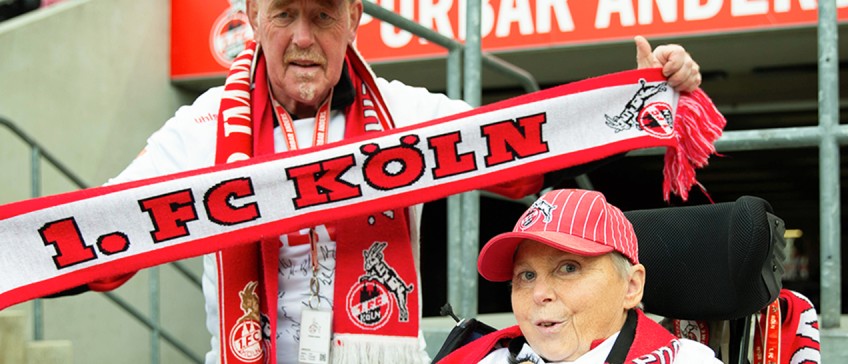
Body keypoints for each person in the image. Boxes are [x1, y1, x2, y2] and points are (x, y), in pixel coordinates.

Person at [95, 1, 704, 363]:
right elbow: (98, 241)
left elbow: (528, 157)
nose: (303, 36)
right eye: (284, 13)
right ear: (252, 15)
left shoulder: (408, 112)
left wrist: (644, 92)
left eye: (324, 14)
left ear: (355, 17)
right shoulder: (197, 127)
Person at [438, 189, 722, 363]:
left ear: (631, 287)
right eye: (526, 275)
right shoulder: (480, 358)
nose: (539, 294)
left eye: (568, 268)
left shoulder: (684, 360)